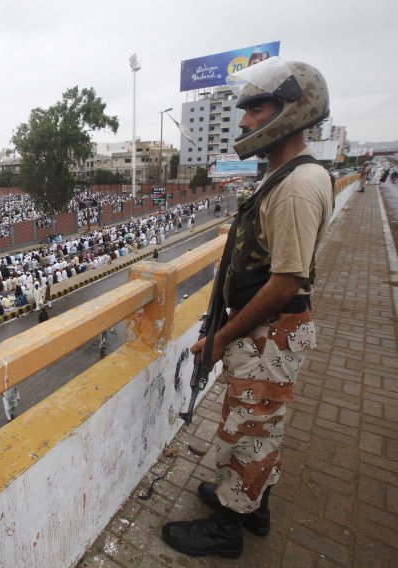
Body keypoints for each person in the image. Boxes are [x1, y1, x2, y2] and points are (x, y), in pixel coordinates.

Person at [162, 58, 334, 558]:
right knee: (260, 424)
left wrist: (220, 338)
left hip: (271, 331)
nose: (244, 122)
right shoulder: (287, 176)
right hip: (269, 330)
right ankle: (251, 506)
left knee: (247, 428)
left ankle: (227, 529)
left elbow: (285, 281)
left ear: (294, 108)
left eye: (257, 108)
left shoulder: (298, 186)